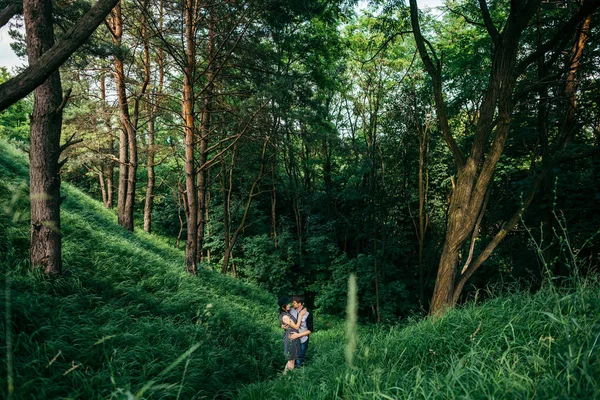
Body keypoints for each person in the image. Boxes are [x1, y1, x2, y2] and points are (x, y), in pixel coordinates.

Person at [278, 297, 306, 374]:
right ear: (283, 306)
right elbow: (296, 326)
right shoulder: (285, 316)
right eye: (287, 304)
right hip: (291, 337)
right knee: (291, 359)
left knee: (291, 359)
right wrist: (300, 315)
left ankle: (284, 377)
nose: (289, 305)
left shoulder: (287, 313)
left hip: (293, 336)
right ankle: (288, 378)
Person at [288, 295, 313, 367]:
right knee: (291, 359)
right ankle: (290, 374)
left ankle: (299, 375)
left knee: (299, 360)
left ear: (300, 303)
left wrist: (298, 335)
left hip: (303, 339)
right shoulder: (291, 310)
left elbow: (310, 330)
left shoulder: (308, 313)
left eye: (294, 303)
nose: (292, 304)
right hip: (292, 338)